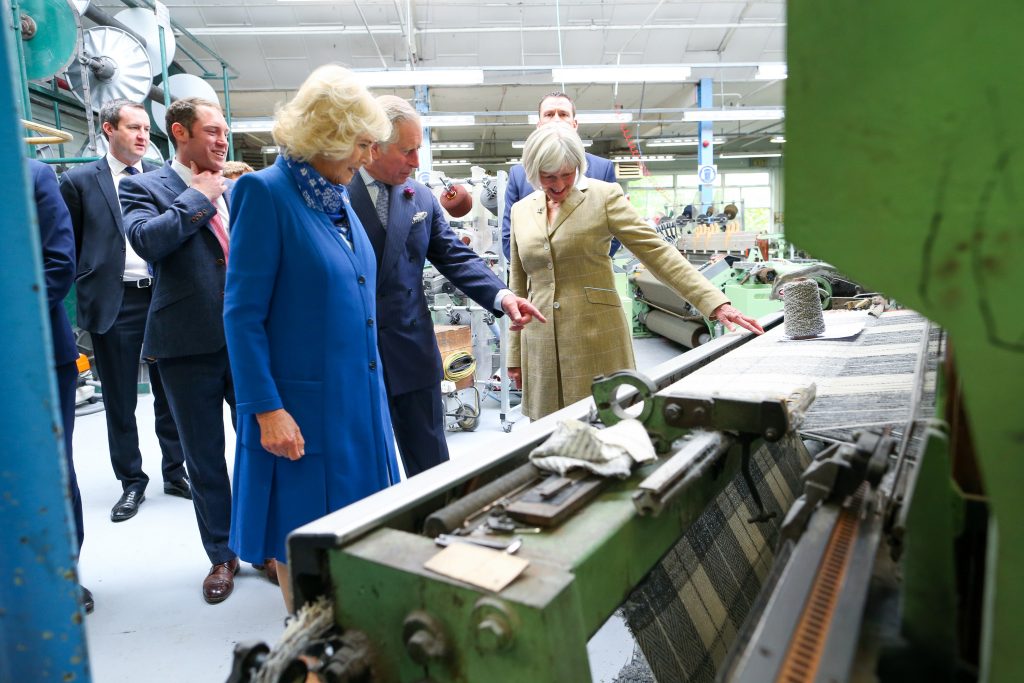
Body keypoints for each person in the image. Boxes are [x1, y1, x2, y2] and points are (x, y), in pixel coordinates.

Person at [224, 65, 400, 610]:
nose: (370, 157)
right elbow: (241, 313)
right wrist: (265, 409)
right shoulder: (266, 193)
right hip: (299, 412)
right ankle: (310, 648)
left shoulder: (335, 194)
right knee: (300, 541)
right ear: (330, 137)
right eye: (363, 144)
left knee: (359, 535)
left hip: (359, 404)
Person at [507, 125, 764, 420]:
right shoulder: (521, 211)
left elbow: (656, 251)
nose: (560, 184)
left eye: (568, 174)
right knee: (549, 434)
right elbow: (517, 284)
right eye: (549, 177)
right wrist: (515, 356)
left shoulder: (603, 197)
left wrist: (715, 303)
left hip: (596, 336)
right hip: (539, 341)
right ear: (532, 170)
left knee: (607, 425)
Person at [347, 96, 544, 477]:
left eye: (418, 149)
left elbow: (455, 256)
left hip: (411, 348)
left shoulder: (420, 197)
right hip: (354, 352)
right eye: (408, 151)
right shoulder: (336, 193)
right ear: (372, 146)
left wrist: (502, 297)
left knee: (431, 464)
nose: (417, 162)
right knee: (364, 467)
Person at [121, 97, 240, 604]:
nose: (222, 140)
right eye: (211, 130)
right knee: (205, 455)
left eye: (225, 131)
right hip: (185, 345)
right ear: (180, 132)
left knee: (262, 444)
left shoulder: (239, 188)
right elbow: (147, 242)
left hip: (245, 340)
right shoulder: (142, 186)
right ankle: (221, 554)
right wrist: (198, 198)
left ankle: (265, 539)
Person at [59, 99, 188, 524]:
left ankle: (175, 471)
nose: (142, 136)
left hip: (163, 295)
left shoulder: (160, 176)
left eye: (146, 130)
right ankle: (132, 481)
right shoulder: (79, 181)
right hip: (116, 300)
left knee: (171, 392)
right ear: (108, 130)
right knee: (119, 399)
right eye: (133, 127)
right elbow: (71, 243)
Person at [28, 158, 92, 612]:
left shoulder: (32, 175)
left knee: (52, 466)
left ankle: (65, 573)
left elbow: (57, 261)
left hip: (37, 352)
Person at [502, 91, 618, 261]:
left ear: (574, 124)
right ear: (539, 124)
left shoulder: (602, 169)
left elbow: (615, 233)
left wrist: (585, 266)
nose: (556, 119)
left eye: (563, 114)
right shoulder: (519, 174)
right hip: (537, 280)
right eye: (549, 114)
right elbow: (509, 240)